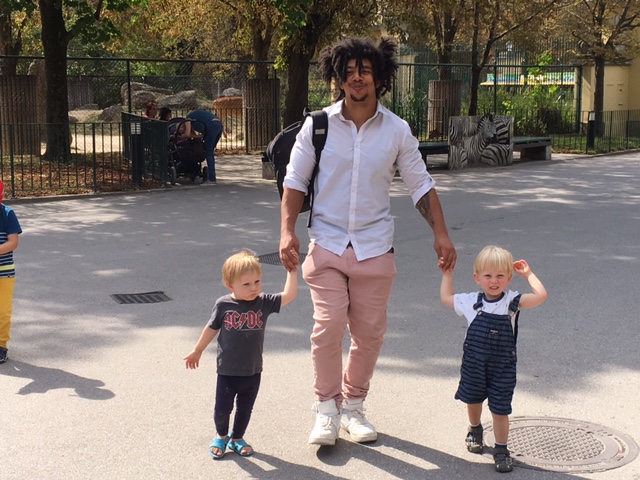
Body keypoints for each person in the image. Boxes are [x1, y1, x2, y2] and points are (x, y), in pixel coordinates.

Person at [279, 36, 457, 446]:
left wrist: (441, 234)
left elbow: (420, 184)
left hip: (375, 246)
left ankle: (354, 407)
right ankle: (326, 409)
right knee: (328, 326)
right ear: (338, 78)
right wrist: (287, 230)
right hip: (326, 242)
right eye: (349, 72)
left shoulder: (396, 130)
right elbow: (295, 180)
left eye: (364, 71)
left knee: (370, 334)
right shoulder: (318, 125)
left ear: (379, 77)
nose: (356, 78)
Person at [439, 245, 547, 473]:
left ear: (509, 278)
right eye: (488, 276)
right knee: (473, 400)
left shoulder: (512, 301)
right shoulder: (471, 301)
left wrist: (528, 274)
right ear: (477, 278)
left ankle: (501, 449)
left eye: (500, 276)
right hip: (474, 364)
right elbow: (446, 297)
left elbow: (540, 296)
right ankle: (475, 428)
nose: (494, 281)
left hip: (502, 367)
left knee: (500, 409)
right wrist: (447, 274)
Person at [184, 249, 298, 459]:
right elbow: (211, 328)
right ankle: (221, 436)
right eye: (246, 284)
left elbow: (289, 295)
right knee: (222, 409)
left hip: (253, 370)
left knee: (245, 409)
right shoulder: (224, 304)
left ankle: (237, 438)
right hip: (227, 370)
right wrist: (197, 350)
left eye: (257, 282)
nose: (253, 288)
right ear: (231, 285)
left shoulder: (264, 302)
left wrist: (291, 270)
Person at [0, 179, 22, 364]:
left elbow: (13, 242)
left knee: (3, 311)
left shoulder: (7, 214)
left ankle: (1, 345)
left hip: (4, 272)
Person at [183, 110, 224, 184]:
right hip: (219, 124)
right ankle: (212, 175)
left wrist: (181, 136)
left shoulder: (188, 119)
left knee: (208, 153)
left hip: (211, 126)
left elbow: (188, 134)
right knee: (210, 151)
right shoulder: (197, 116)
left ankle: (212, 179)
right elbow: (199, 134)